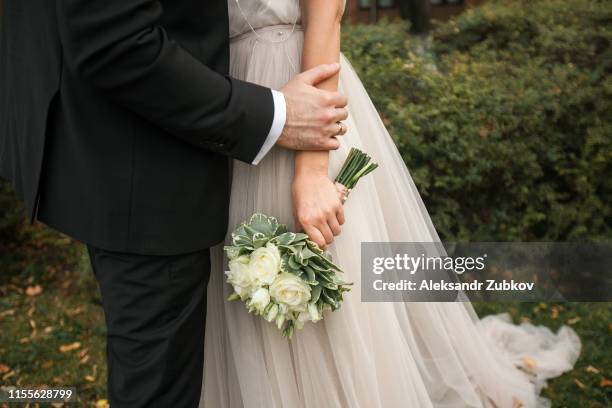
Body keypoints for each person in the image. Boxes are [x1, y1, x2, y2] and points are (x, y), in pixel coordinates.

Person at [201, 1, 581, 407]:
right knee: (245, 284)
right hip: (229, 105)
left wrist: (311, 172)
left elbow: (326, 16)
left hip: (297, 85)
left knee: (314, 275)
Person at [0, 1, 349, 407]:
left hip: (254, 117)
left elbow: (328, 17)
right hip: (187, 131)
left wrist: (311, 172)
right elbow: (114, 39)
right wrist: (274, 118)